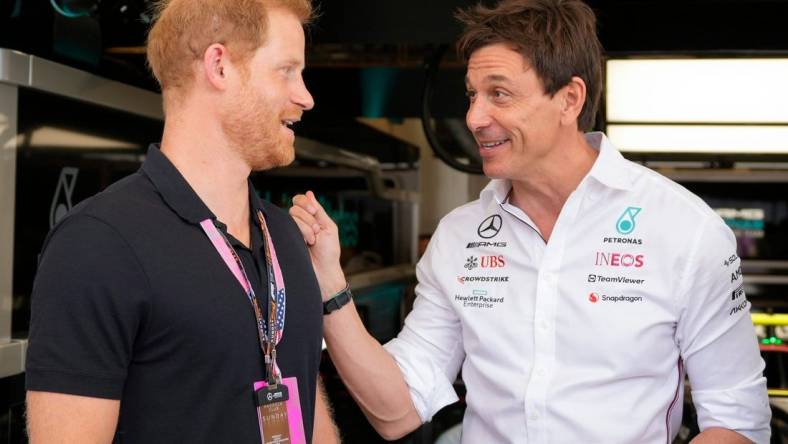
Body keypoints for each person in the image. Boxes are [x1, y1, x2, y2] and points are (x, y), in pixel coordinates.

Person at [289, 0, 771, 442]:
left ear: (569, 99)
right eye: (472, 94)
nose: (475, 116)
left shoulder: (685, 229)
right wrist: (328, 282)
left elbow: (736, 421)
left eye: (499, 94)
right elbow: (397, 411)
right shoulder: (459, 238)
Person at [25, 0, 339, 442]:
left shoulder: (283, 235)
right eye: (287, 70)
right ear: (219, 66)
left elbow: (305, 397)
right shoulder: (98, 244)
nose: (305, 96)